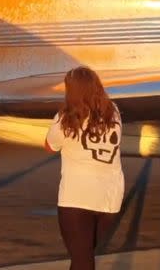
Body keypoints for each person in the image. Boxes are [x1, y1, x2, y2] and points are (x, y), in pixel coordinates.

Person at [45, 66, 124, 270]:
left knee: (82, 260)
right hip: (109, 198)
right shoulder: (113, 111)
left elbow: (49, 146)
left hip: (77, 198)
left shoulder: (65, 119)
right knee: (83, 256)